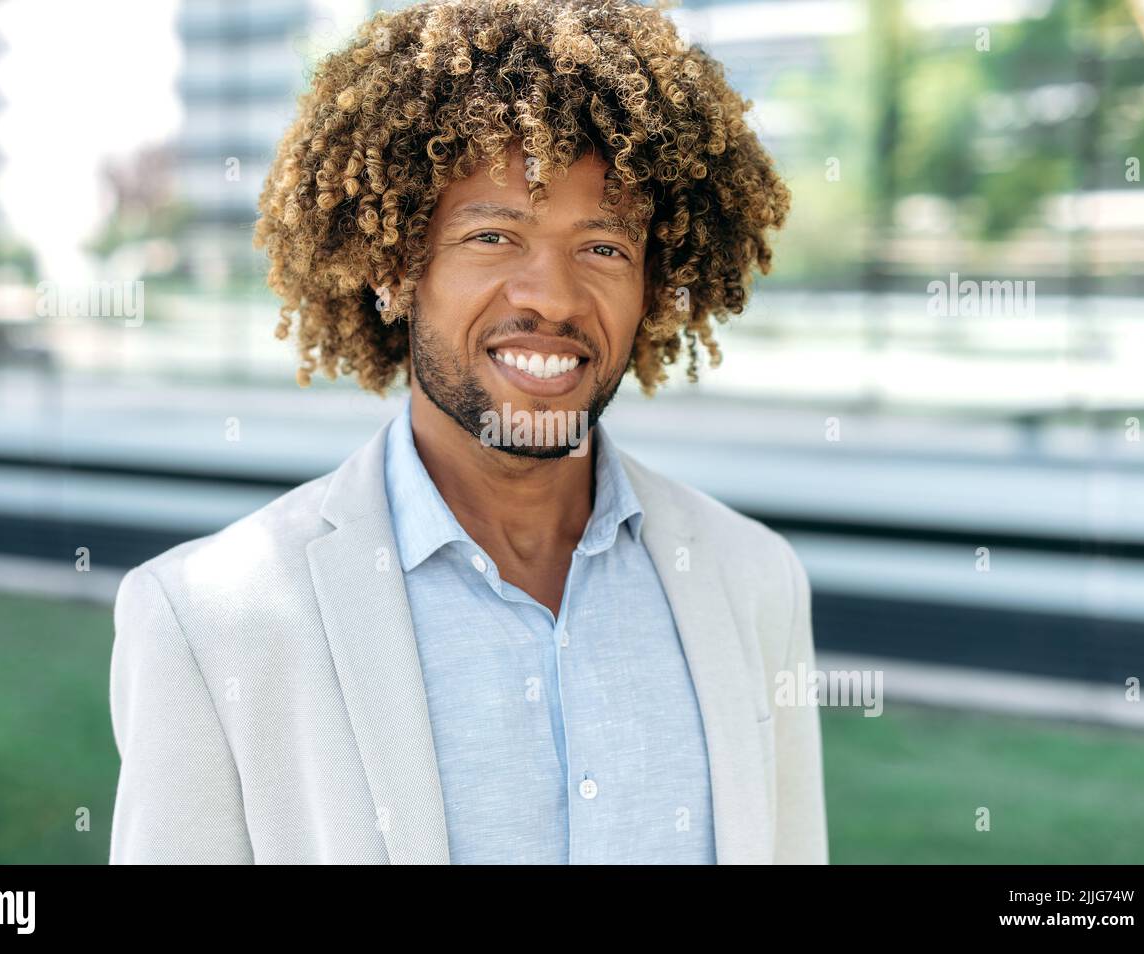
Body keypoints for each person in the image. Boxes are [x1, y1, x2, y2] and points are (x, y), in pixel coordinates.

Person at [109, 0, 827, 864]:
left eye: (603, 248)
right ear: (394, 268)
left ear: (656, 284)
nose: (553, 297)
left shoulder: (755, 581)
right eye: (493, 235)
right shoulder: (208, 618)